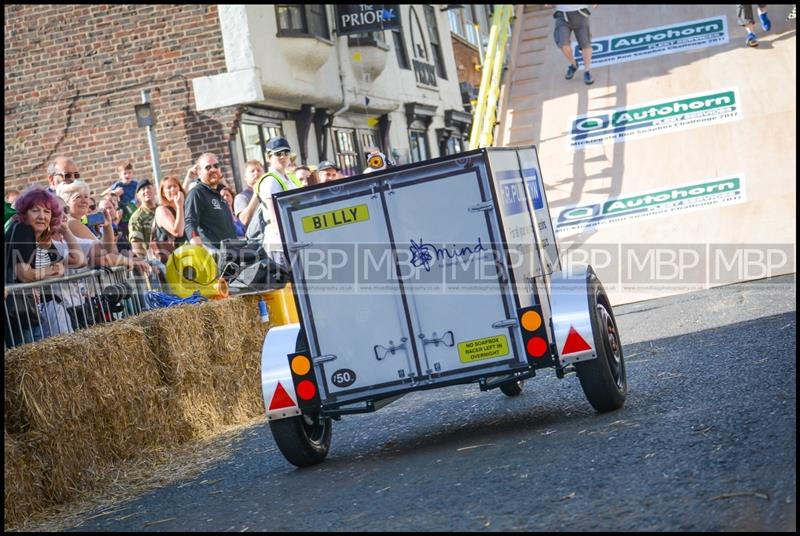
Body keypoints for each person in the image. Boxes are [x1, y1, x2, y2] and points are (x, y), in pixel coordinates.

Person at [5, 187, 81, 343]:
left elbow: (74, 262)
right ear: (24, 213)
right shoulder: (22, 229)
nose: (42, 216)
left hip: (25, 312)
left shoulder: (38, 237)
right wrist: (51, 270)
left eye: (47, 212)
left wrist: (50, 270)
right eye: (35, 211)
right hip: (16, 313)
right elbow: (24, 274)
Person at [56, 181, 151, 275]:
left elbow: (105, 249)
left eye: (86, 196)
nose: (84, 201)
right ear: (66, 201)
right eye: (78, 197)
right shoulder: (71, 222)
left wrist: (107, 225)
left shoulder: (78, 222)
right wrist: (128, 261)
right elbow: (101, 257)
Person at [251, 136, 303, 260]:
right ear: (268, 157)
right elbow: (274, 218)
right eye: (278, 153)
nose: (283, 156)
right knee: (285, 279)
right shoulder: (270, 180)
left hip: (294, 235)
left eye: (286, 153)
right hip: (279, 242)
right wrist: (287, 241)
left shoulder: (292, 178)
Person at [183, 152, 237, 250]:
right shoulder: (197, 193)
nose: (213, 169)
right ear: (199, 173)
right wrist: (200, 251)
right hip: (215, 256)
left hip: (233, 253)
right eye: (208, 167)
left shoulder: (221, 192)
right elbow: (190, 223)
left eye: (216, 166)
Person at [546, 4, 598, 85]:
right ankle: (574, 65)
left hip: (580, 14)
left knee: (585, 44)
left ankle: (587, 71)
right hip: (562, 15)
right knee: (562, 43)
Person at [152, 175, 187, 263]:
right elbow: (178, 232)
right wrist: (179, 206)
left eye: (175, 186)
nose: (173, 189)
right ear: (163, 193)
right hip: (171, 261)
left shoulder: (184, 208)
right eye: (169, 187)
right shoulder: (161, 210)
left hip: (188, 257)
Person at [128, 180, 158, 258]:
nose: (146, 190)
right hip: (154, 259)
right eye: (143, 189)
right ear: (138, 196)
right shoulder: (137, 218)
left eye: (149, 188)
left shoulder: (163, 209)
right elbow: (137, 247)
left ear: (154, 190)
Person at [233, 160, 264, 227]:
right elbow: (244, 220)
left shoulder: (269, 192)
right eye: (252, 171)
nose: (256, 173)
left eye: (259, 170)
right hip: (257, 236)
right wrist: (256, 194)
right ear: (245, 178)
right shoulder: (241, 197)